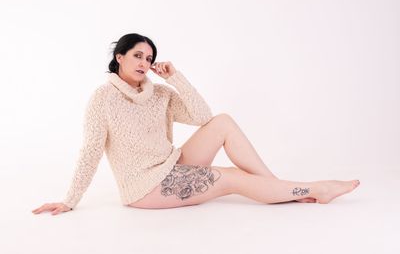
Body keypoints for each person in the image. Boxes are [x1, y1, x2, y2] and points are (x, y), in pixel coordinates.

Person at [32, 33, 360, 215]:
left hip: (172, 166)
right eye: (136, 55)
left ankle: (279, 189)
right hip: (144, 187)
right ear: (119, 57)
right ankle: (315, 190)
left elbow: (204, 117)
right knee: (232, 178)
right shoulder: (102, 99)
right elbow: (90, 151)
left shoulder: (158, 93)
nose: (144, 63)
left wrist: (176, 78)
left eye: (148, 58)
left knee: (224, 122)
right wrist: (70, 199)